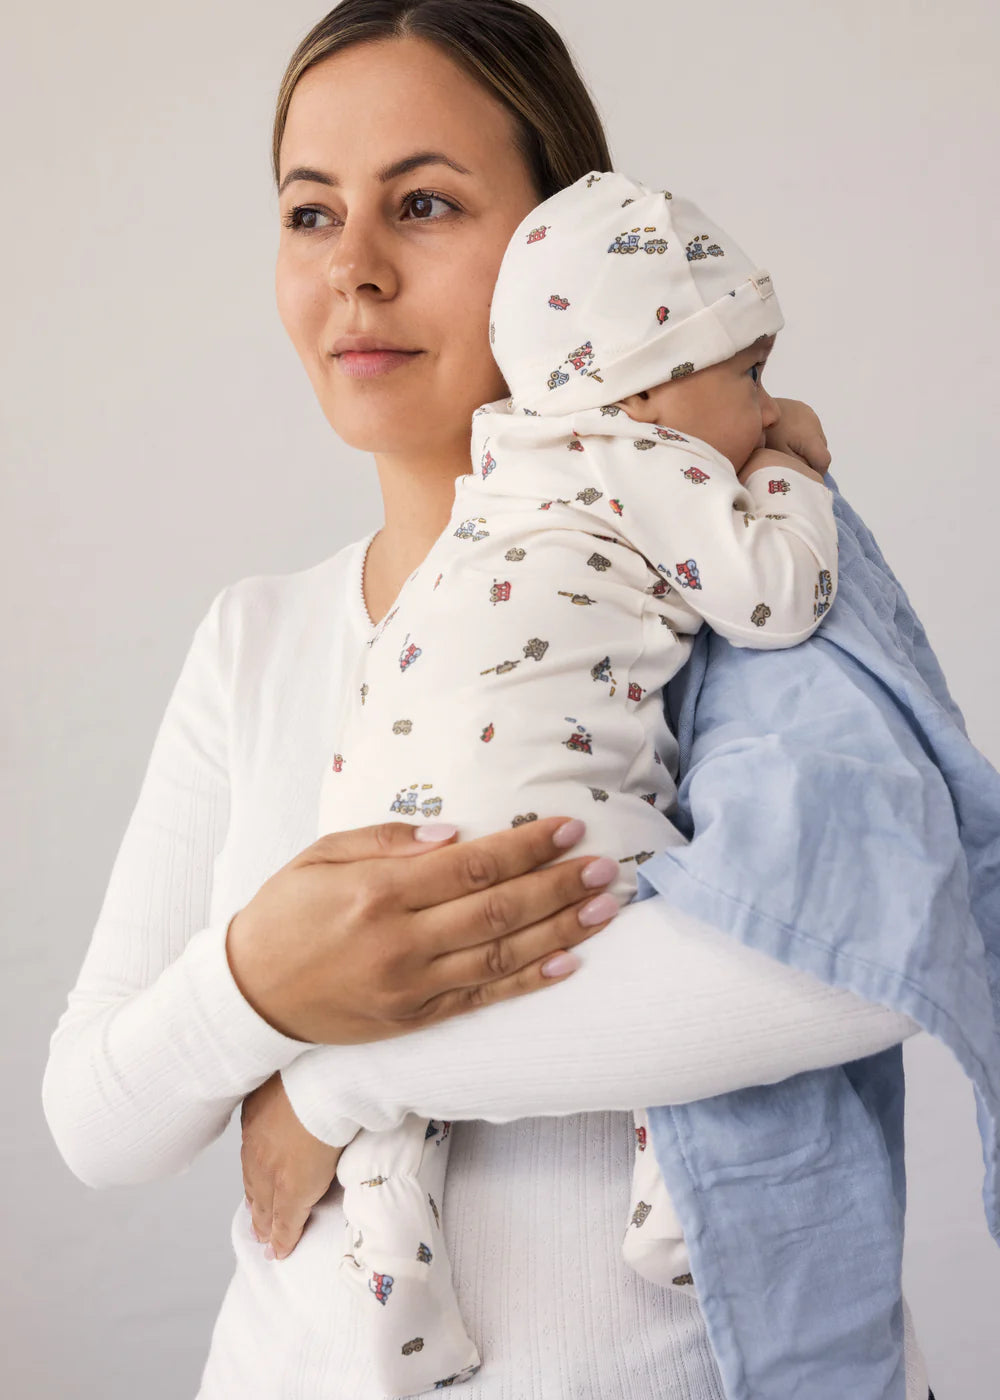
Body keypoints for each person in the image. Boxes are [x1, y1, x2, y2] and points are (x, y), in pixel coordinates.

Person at [40, 3, 935, 1396]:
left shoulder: (712, 564)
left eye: (424, 203)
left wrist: (339, 1075)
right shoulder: (257, 641)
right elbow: (95, 1117)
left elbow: (857, 948)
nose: (356, 269)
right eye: (308, 213)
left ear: (559, 247)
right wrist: (262, 979)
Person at [312, 168, 840, 1396]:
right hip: (530, 798)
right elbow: (775, 597)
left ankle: (392, 1242)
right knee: (669, 889)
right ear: (651, 383)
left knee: (411, 1050)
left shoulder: (506, 457)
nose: (764, 407)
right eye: (748, 375)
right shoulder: (648, 456)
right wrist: (790, 476)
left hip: (374, 788)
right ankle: (673, 1191)